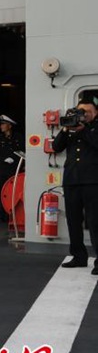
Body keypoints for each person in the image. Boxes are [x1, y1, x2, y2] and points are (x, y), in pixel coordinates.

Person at [51, 97, 98, 272]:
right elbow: (56, 147)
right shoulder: (70, 128)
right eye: (80, 111)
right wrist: (65, 128)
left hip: (93, 182)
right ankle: (78, 256)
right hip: (72, 180)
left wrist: (84, 130)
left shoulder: (93, 128)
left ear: (95, 113)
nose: (83, 115)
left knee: (95, 222)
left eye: (86, 112)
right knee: (73, 221)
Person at [0, 115, 23, 222]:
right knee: (1, 191)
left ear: (9, 126)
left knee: (14, 191)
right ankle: (1, 215)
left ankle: (13, 214)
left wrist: (20, 160)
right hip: (2, 169)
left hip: (15, 168)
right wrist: (4, 158)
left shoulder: (18, 137)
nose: (1, 126)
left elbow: (23, 150)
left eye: (3, 124)